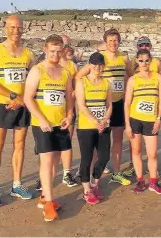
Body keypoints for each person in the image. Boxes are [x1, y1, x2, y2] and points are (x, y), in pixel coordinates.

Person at [0, 15, 35, 207]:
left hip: (22, 106)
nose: (16, 31)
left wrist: (23, 100)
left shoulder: (28, 53)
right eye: (12, 27)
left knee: (20, 145)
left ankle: (17, 184)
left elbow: (33, 80)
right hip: (3, 105)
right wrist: (13, 97)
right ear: (6, 28)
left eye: (19, 27)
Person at [24, 34, 74, 222]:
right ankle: (49, 203)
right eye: (52, 51)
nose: (55, 54)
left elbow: (69, 98)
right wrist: (41, 119)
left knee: (55, 162)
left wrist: (69, 116)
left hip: (60, 123)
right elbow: (28, 98)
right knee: (46, 162)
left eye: (59, 51)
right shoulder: (37, 70)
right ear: (45, 50)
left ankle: (45, 196)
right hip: (42, 124)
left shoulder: (65, 72)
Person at [75, 29, 131, 186]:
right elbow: (79, 76)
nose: (113, 43)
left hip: (118, 103)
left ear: (119, 41)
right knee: (95, 141)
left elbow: (131, 76)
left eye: (116, 40)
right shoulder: (100, 58)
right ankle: (89, 171)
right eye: (110, 40)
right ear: (105, 42)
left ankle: (116, 172)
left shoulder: (123, 58)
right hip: (100, 105)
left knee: (118, 140)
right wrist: (80, 92)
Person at [125, 49, 161, 194]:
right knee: (136, 151)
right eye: (141, 60)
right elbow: (127, 103)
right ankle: (140, 180)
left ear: (151, 61)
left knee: (152, 153)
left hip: (151, 120)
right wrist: (127, 125)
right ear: (137, 61)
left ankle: (153, 182)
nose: (144, 63)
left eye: (146, 60)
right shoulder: (132, 80)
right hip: (135, 119)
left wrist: (159, 119)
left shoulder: (158, 77)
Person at [75, 52, 112, 204]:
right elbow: (81, 106)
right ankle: (86, 190)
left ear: (103, 66)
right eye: (94, 64)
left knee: (104, 157)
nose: (97, 67)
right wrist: (95, 121)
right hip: (86, 126)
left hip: (103, 125)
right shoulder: (82, 82)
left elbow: (109, 105)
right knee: (87, 158)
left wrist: (104, 120)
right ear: (89, 65)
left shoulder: (106, 83)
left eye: (100, 64)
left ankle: (95, 184)